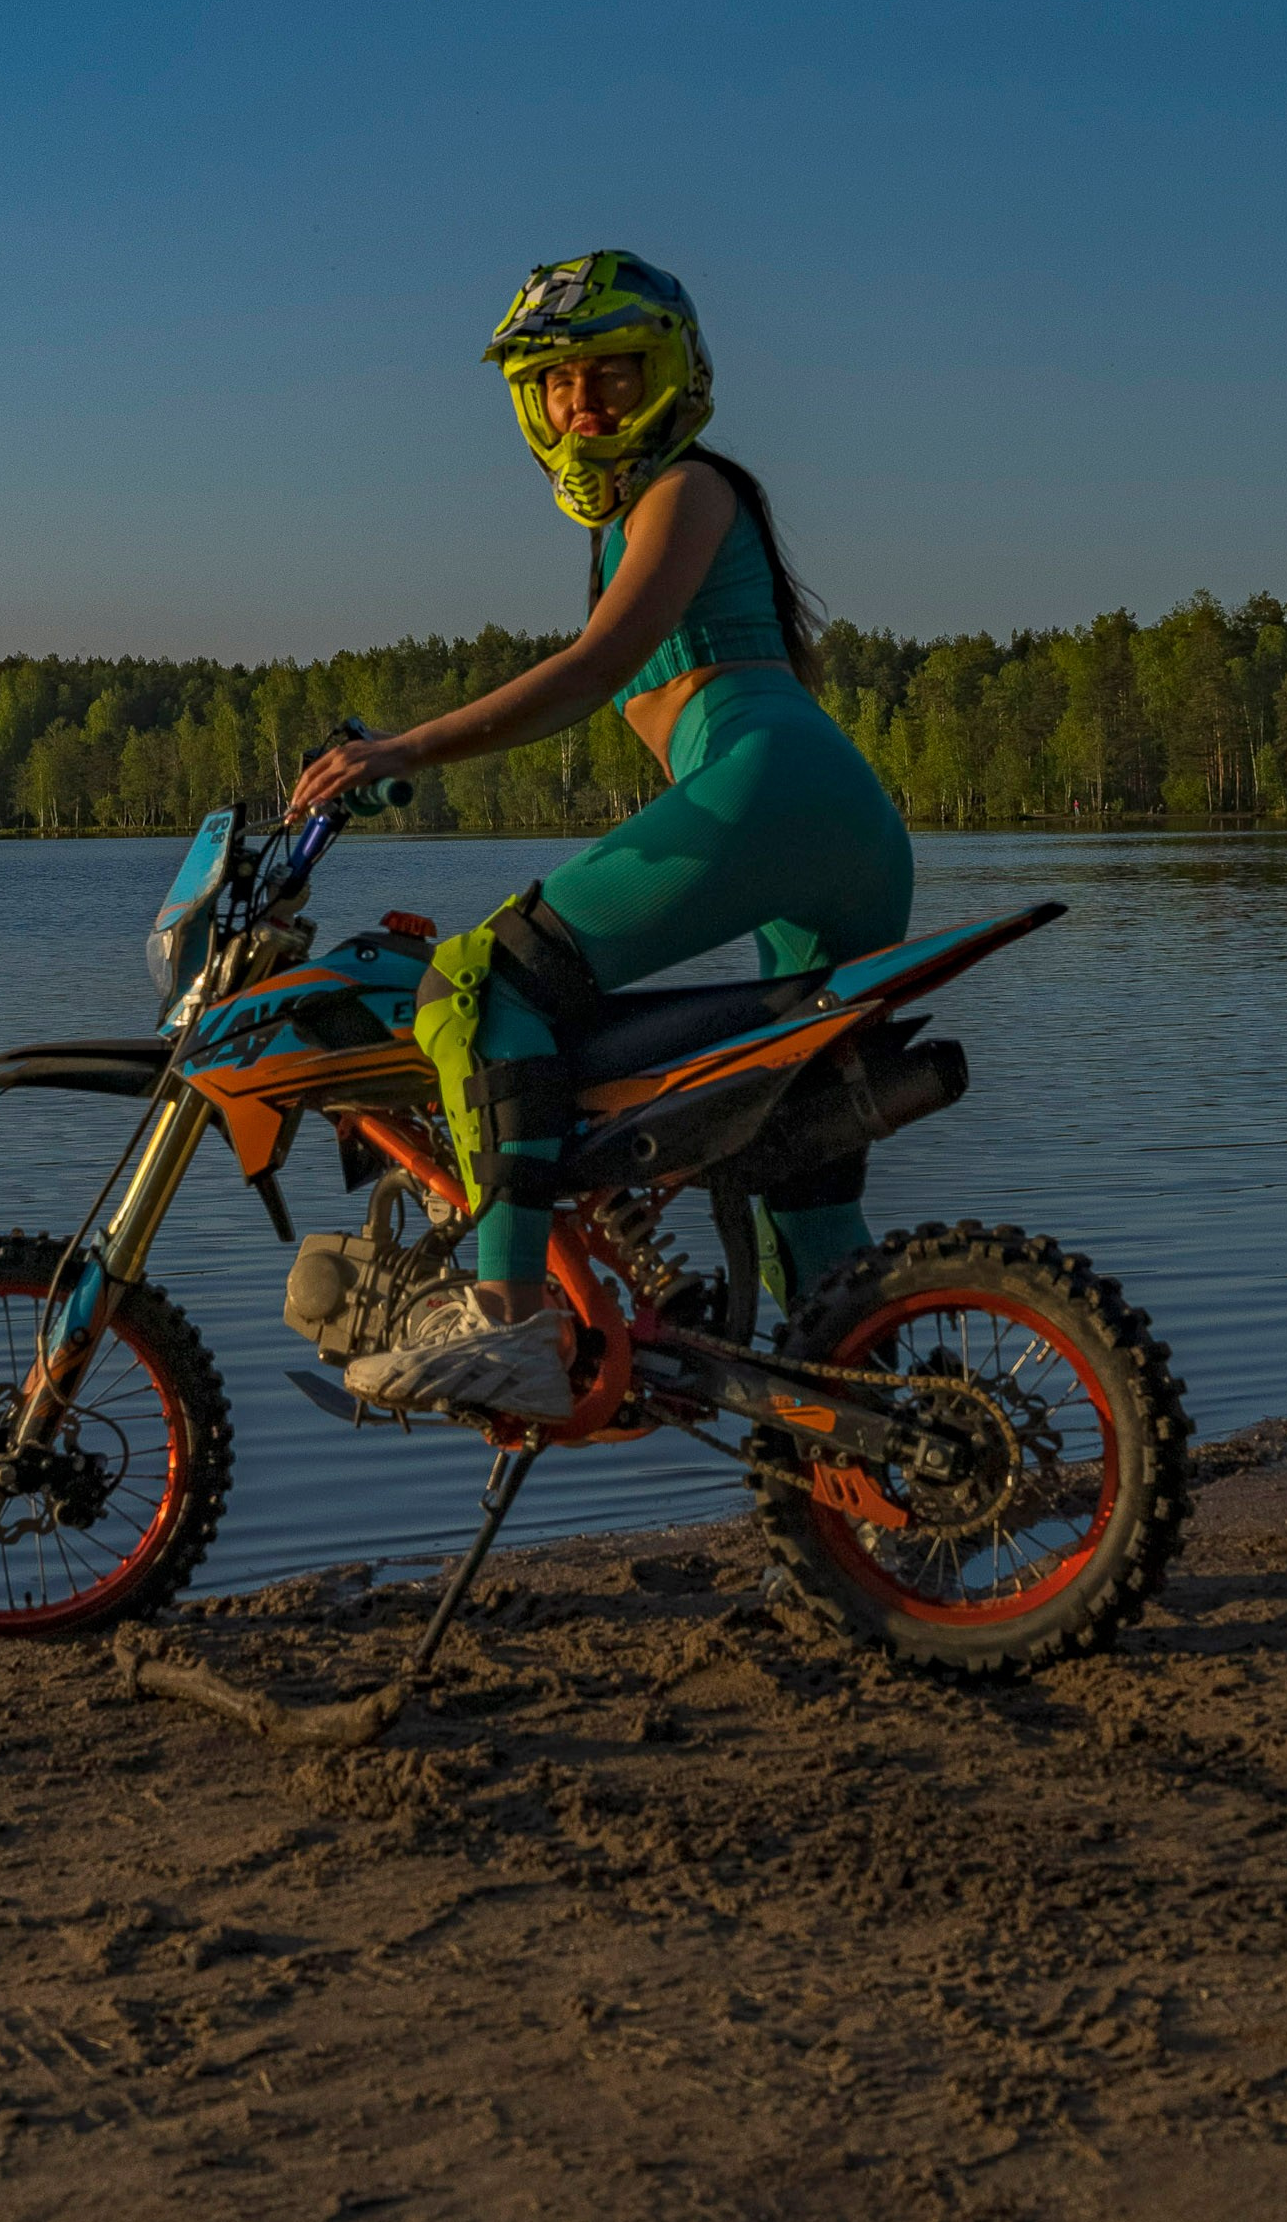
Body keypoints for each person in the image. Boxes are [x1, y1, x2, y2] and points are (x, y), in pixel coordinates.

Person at [284, 250, 914, 1423]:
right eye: (559, 385)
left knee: (475, 982)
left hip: (771, 788)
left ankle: (508, 1320)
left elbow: (598, 670)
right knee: (800, 1197)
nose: (584, 405)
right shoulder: (671, 516)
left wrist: (404, 751)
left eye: (612, 376)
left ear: (671, 376)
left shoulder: (682, 490)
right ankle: (880, 1463)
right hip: (826, 825)